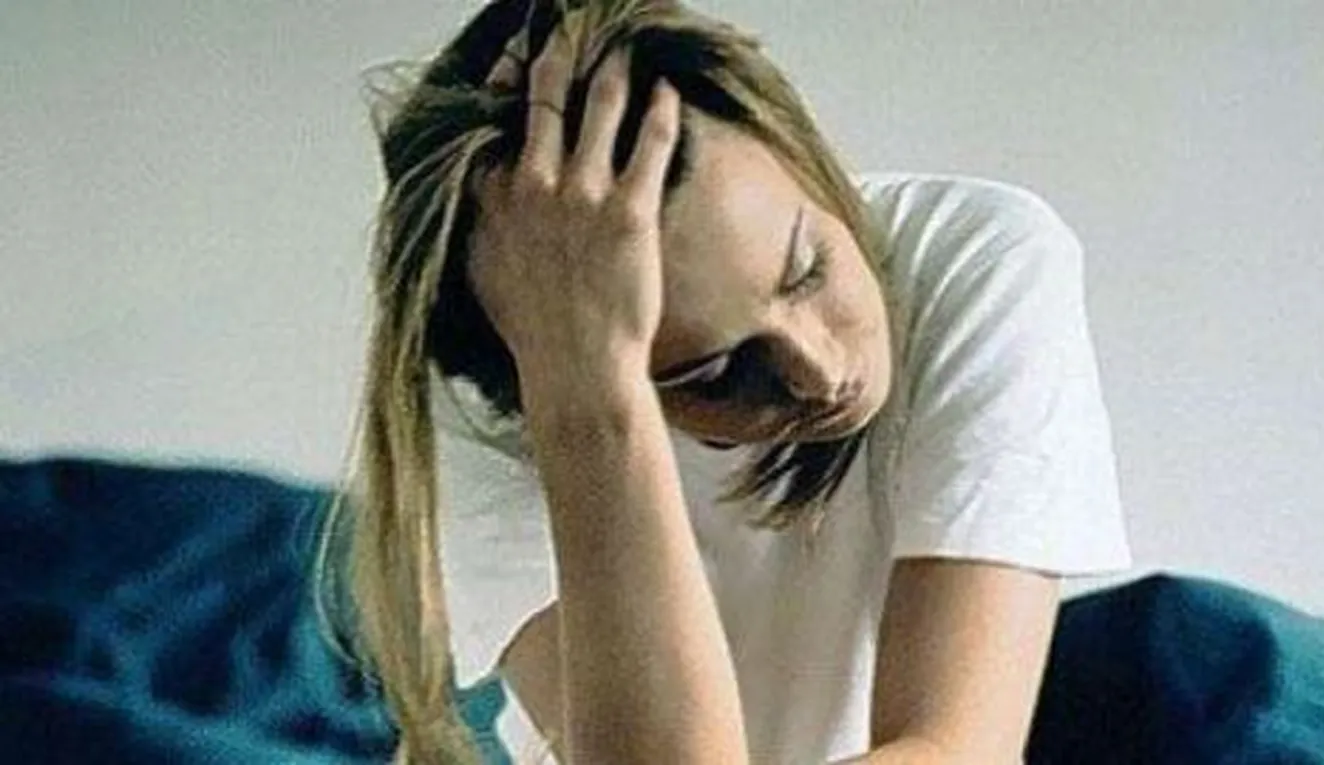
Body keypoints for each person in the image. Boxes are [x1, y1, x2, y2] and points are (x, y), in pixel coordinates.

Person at [316, 0, 1133, 762]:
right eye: (713, 373)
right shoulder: (494, 407)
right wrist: (592, 404)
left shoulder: (979, 255)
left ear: (794, 143)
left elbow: (958, 748)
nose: (819, 371)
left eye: (807, 268)